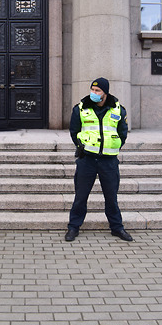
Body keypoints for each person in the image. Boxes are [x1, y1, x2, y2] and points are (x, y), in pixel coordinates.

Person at [65, 77, 133, 242]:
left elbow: (123, 133)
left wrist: (112, 147)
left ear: (105, 93)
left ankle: (117, 228)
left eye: (97, 91)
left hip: (108, 161)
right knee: (81, 197)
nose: (94, 93)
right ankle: (73, 227)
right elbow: (74, 131)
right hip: (87, 160)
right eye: (92, 90)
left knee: (111, 197)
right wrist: (82, 146)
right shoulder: (80, 109)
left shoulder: (118, 110)